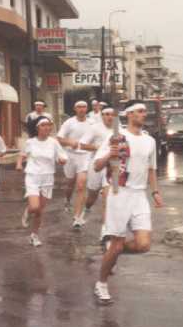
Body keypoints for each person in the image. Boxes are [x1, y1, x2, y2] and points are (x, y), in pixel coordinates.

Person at [92, 100, 165, 304]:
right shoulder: (116, 137)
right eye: (140, 111)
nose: (144, 114)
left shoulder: (149, 140)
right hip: (119, 192)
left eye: (144, 112)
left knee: (143, 245)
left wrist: (156, 192)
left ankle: (111, 249)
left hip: (140, 196)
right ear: (129, 115)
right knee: (116, 245)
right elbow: (97, 166)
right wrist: (109, 155)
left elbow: (151, 169)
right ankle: (101, 284)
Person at [17, 116, 68, 246]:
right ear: (37, 127)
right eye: (43, 125)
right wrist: (19, 164)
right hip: (33, 176)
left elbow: (62, 156)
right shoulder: (30, 142)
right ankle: (28, 211)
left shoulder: (54, 142)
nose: (47, 127)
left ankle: (34, 235)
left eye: (49, 125)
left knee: (39, 211)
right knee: (35, 206)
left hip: (48, 177)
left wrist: (62, 160)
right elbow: (22, 154)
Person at [79, 105, 116, 242]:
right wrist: (97, 147)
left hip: (111, 167)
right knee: (92, 195)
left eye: (111, 114)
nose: (109, 117)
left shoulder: (120, 129)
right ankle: (87, 208)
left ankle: (105, 231)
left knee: (108, 198)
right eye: (106, 114)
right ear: (102, 116)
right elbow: (82, 145)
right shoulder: (95, 128)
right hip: (96, 164)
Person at [57, 100, 92, 228]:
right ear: (75, 109)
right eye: (79, 107)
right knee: (70, 183)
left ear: (87, 109)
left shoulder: (91, 123)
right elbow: (59, 139)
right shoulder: (69, 122)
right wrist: (69, 142)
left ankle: (77, 217)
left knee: (81, 185)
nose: (82, 109)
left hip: (85, 156)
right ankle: (67, 199)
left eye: (84, 107)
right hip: (71, 156)